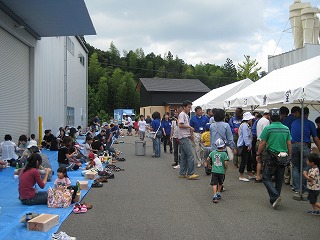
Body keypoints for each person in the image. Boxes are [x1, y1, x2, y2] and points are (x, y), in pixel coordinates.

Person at [256, 108, 292, 209]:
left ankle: (275, 196)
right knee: (279, 178)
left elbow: (262, 143)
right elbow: (289, 143)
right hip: (283, 156)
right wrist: (290, 155)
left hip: (271, 155)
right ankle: (274, 199)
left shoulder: (268, 128)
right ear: (280, 117)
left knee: (266, 177)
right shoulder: (286, 128)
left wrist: (258, 153)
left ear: (270, 117)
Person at [291, 107, 320, 199]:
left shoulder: (294, 122)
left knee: (295, 167)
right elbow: (315, 138)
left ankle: (296, 188)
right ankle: (304, 189)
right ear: (307, 114)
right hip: (304, 145)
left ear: (299, 113)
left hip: (293, 145)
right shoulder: (310, 123)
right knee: (305, 167)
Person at [207, 108, 235, 173]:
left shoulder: (211, 125)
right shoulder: (226, 125)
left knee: (215, 164)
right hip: (223, 148)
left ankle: (214, 177)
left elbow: (211, 137)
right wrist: (233, 147)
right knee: (222, 165)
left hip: (213, 148)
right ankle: (220, 179)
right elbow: (230, 138)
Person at [177, 100, 199, 180]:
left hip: (184, 136)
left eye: (190, 107)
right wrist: (190, 127)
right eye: (188, 107)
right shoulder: (182, 115)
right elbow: (180, 125)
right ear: (184, 107)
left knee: (184, 156)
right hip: (184, 137)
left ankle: (182, 173)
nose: (190, 109)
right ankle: (190, 173)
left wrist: (190, 134)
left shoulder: (185, 115)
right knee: (190, 155)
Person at [208, 138, 229, 203]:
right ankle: (218, 193)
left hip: (214, 171)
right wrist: (226, 168)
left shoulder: (213, 152)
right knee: (220, 183)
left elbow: (208, 158)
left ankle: (214, 196)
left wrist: (209, 165)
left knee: (214, 184)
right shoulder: (224, 154)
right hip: (221, 171)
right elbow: (226, 162)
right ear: (223, 146)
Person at [237, 112, 255, 182]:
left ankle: (249, 173)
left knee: (248, 159)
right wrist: (248, 144)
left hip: (245, 144)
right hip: (244, 145)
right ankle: (241, 175)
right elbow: (245, 136)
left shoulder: (244, 125)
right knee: (244, 160)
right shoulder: (245, 125)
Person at [255, 111, 270, 182]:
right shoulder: (266, 121)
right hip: (263, 142)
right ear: (268, 115)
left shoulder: (259, 120)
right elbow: (266, 132)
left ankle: (258, 176)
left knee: (259, 160)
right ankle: (265, 176)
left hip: (258, 141)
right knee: (265, 160)